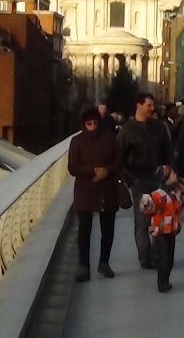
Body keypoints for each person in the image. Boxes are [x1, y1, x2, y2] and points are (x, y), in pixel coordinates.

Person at [117, 92, 174, 269]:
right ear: (138, 105)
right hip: (139, 180)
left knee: (159, 219)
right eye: (148, 105)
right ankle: (145, 257)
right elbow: (119, 160)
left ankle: (157, 254)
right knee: (142, 221)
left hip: (158, 178)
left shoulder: (159, 127)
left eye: (152, 105)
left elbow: (168, 150)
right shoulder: (127, 130)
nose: (152, 108)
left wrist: (168, 167)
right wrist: (131, 180)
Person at [68, 104, 121, 282]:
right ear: (84, 124)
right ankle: (84, 265)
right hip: (86, 190)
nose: (92, 126)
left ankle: (104, 262)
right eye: (89, 124)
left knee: (108, 228)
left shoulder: (110, 138)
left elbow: (118, 161)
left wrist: (107, 171)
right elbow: (73, 167)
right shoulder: (77, 141)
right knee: (84, 229)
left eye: (94, 123)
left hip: (107, 189)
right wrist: (93, 170)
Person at [140, 166, 184, 292]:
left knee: (169, 257)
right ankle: (162, 282)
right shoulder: (158, 195)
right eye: (172, 174)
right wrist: (146, 202)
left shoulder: (176, 191)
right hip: (161, 231)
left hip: (171, 230)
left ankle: (165, 279)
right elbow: (147, 207)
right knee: (164, 256)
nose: (175, 175)